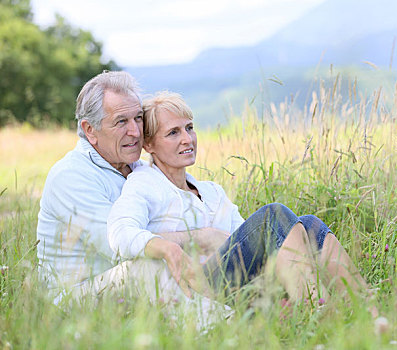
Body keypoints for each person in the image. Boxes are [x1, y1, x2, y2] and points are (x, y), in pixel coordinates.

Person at [107, 91, 371, 305]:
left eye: (189, 128)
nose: (187, 139)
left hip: (240, 277)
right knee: (272, 216)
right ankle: (314, 309)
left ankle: (363, 306)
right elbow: (120, 233)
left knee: (309, 224)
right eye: (173, 132)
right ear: (149, 145)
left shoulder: (211, 191)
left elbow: (251, 239)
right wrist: (177, 244)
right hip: (201, 282)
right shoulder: (144, 183)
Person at [36, 71, 209, 312]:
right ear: (90, 130)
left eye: (138, 118)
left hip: (126, 289)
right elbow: (118, 245)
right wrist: (201, 237)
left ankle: (253, 305)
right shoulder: (70, 175)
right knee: (150, 263)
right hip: (73, 300)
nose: (136, 132)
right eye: (121, 122)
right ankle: (223, 326)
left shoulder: (137, 168)